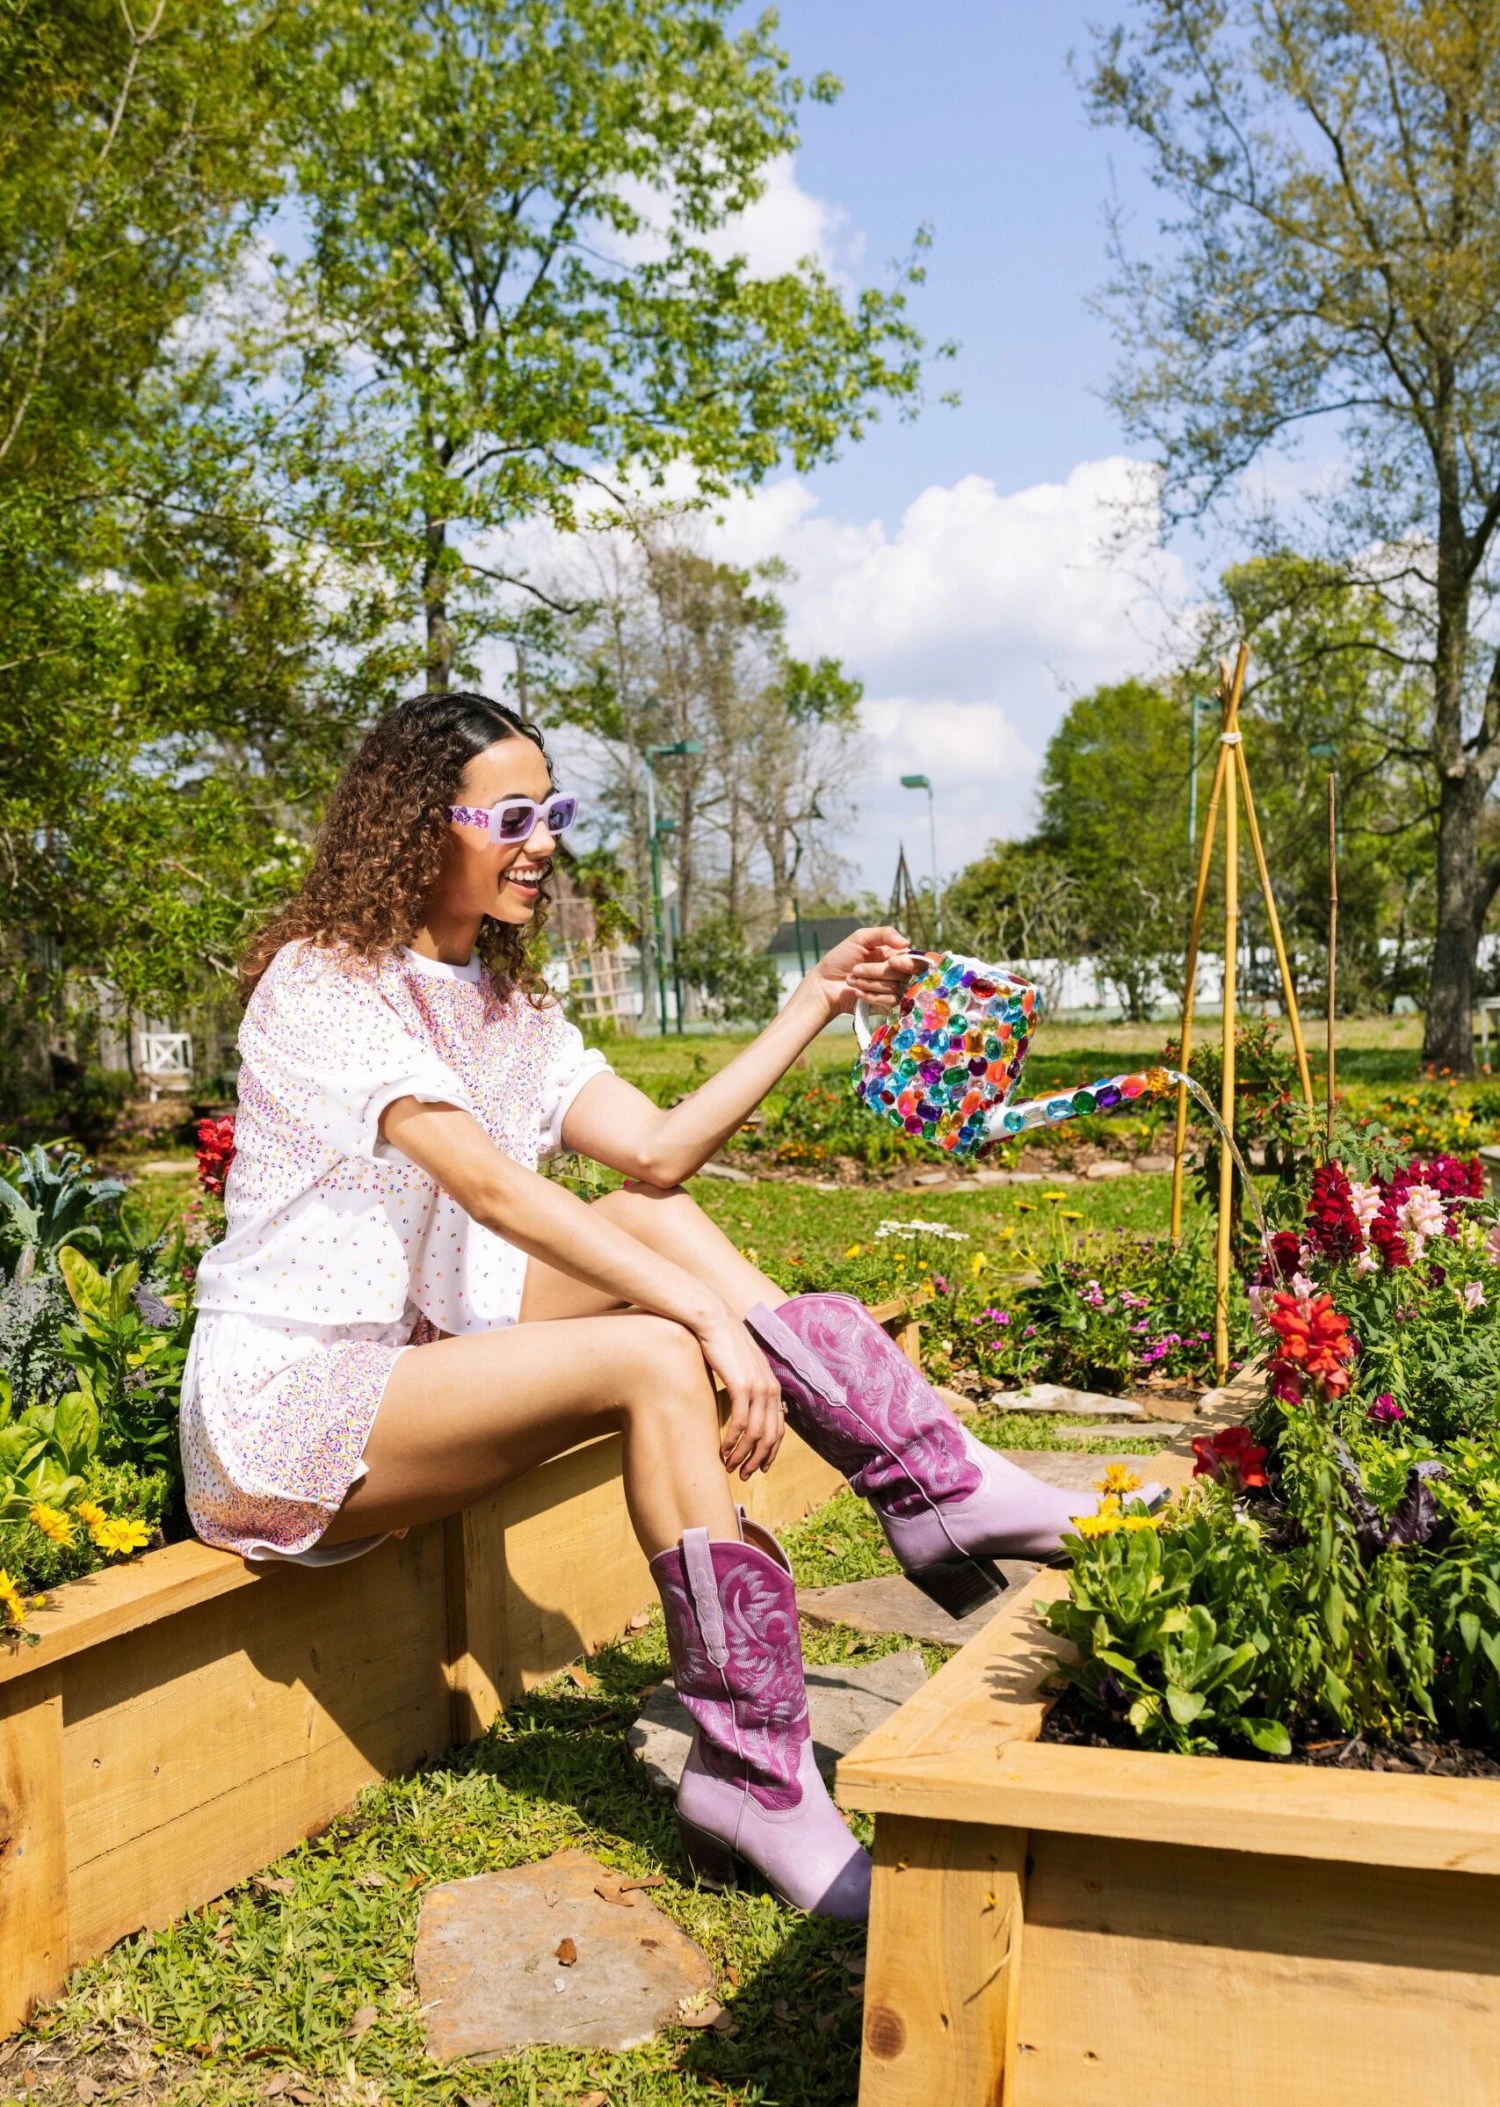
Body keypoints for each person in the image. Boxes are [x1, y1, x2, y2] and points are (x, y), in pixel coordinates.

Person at [183, 691, 1102, 1922]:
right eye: (511, 814)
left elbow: (657, 1156)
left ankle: (931, 1482)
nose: (545, 838)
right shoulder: (323, 984)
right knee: (657, 1356)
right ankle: (757, 1779)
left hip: (424, 1367)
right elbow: (492, 1184)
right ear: (418, 824)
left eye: (552, 809)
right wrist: (704, 1320)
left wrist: (816, 999)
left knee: (650, 1222)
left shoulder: (506, 1005)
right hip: (292, 1407)